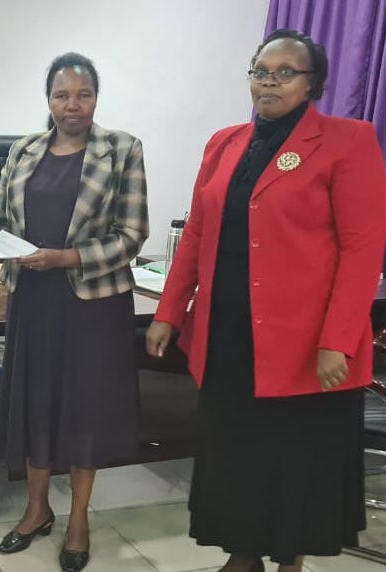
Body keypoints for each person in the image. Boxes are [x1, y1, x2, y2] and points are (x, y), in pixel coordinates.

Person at [146, 29, 386, 572]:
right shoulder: (226, 142)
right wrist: (169, 311)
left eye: (285, 72)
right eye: (260, 71)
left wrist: (339, 340)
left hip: (304, 342)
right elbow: (199, 235)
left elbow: (362, 249)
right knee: (236, 452)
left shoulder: (348, 140)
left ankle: (290, 559)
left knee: (293, 457)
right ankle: (242, 552)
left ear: (313, 83)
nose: (268, 82)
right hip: (229, 332)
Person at [0, 52, 148, 572]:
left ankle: (79, 518)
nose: (73, 105)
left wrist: (67, 258)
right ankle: (37, 509)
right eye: (62, 95)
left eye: (83, 95)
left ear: (96, 98)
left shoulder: (123, 149)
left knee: (84, 409)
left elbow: (132, 236)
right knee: (37, 401)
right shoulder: (24, 150)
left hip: (94, 305)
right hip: (33, 301)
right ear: (48, 100)